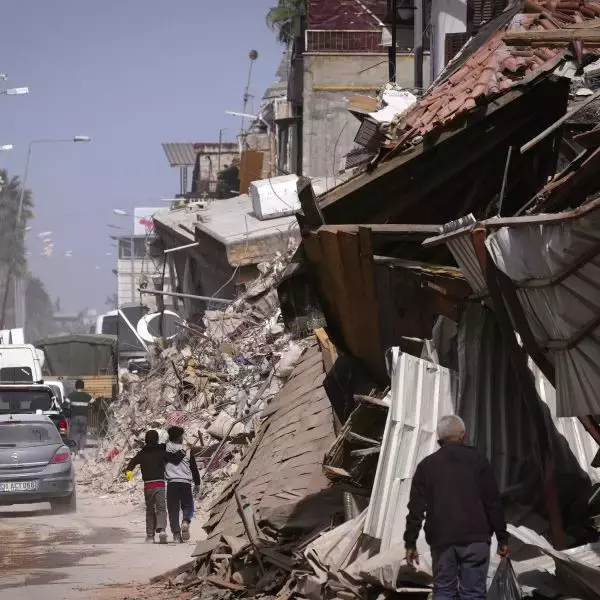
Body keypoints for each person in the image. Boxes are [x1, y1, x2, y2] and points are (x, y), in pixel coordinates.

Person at [404, 415, 509, 600]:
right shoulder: (478, 461)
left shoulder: (426, 466)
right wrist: (502, 538)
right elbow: (492, 502)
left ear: (439, 440)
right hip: (476, 540)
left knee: (444, 591)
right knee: (473, 594)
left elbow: (416, 508)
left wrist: (410, 542)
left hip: (442, 541)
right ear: (463, 435)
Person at [123, 430, 169, 544]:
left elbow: (131, 464)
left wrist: (128, 473)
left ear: (146, 440)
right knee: (161, 508)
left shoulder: (143, 452)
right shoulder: (162, 451)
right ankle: (162, 530)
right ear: (157, 439)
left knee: (150, 510)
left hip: (148, 485)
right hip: (160, 484)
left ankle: (150, 536)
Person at [165, 426, 200, 543]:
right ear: (180, 437)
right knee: (188, 505)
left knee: (173, 509)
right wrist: (197, 483)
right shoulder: (187, 450)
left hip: (172, 483)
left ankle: (176, 534)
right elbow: (194, 468)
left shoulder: (165, 448)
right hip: (185, 482)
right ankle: (185, 521)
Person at [66, 379, 94, 458]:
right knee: (83, 434)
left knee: (74, 435)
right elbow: (94, 403)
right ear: (83, 387)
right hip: (84, 418)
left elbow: (64, 404)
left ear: (75, 386)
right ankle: (81, 450)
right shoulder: (87, 396)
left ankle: (74, 453)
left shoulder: (71, 395)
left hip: (74, 418)